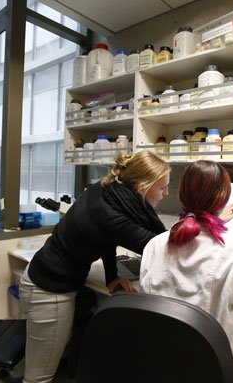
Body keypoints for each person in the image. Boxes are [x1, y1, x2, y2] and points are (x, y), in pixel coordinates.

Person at [19, 150, 170, 383]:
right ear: (141, 188)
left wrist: (112, 275)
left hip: (41, 277)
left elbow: (106, 240)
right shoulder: (111, 214)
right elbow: (160, 247)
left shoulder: (106, 191)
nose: (166, 193)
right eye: (162, 187)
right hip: (49, 292)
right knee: (39, 378)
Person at [139, 160, 233, 383]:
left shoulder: (155, 245)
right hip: (212, 372)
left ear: (182, 195)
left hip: (162, 368)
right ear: (223, 198)